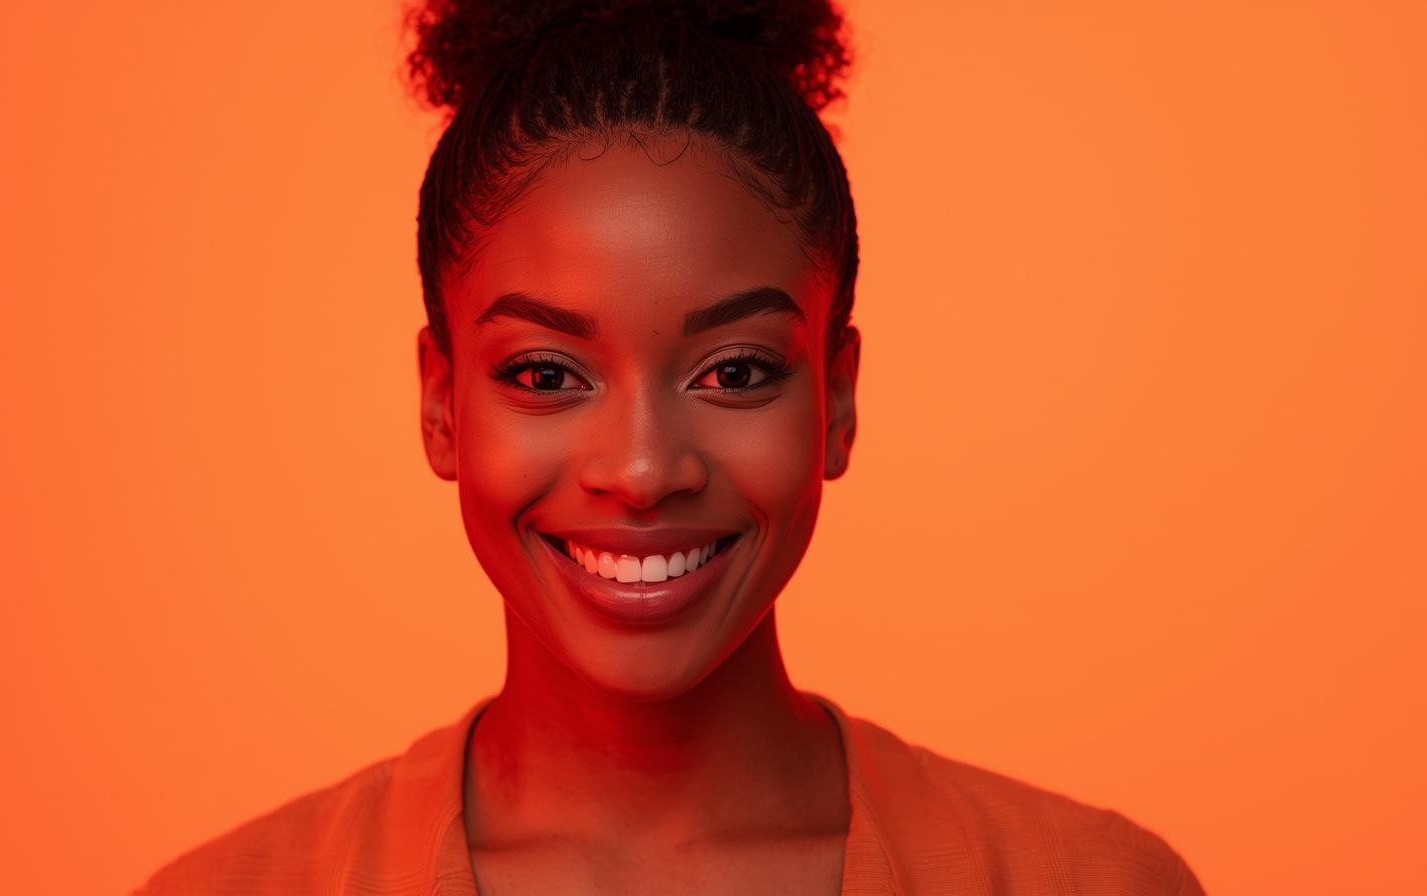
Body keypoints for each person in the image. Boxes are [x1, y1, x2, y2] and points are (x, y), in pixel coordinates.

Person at [135, 1, 1206, 893]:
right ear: (441, 403)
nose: (643, 469)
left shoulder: (1081, 879)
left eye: (733, 371)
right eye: (545, 373)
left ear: (834, 399)